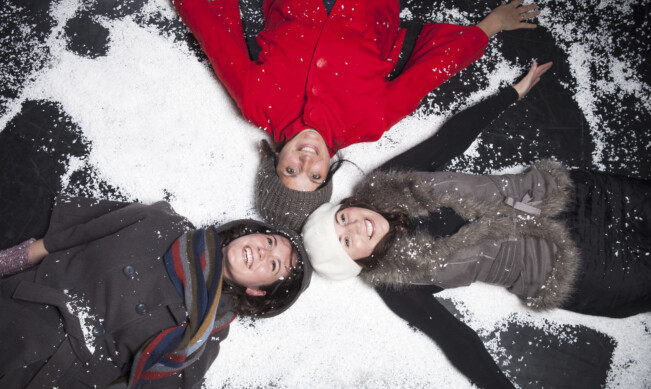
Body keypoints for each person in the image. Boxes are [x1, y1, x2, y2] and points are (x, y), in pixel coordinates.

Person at [301, 61, 651, 389]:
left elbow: (448, 139)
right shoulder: (398, 284)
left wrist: (510, 93)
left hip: (584, 199)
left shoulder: (387, 183)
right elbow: (456, 341)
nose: (355, 227)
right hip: (585, 270)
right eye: (348, 243)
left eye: (341, 221)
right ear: (358, 262)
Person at [0, 196, 312, 389]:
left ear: (260, 292)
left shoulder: (203, 336)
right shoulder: (159, 222)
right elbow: (65, 238)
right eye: (270, 241)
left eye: (273, 265)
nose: (263, 250)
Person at [174, 0, 542, 229]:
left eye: (290, 170)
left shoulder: (256, 103)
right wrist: (491, 26)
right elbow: (427, 76)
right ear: (328, 171)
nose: (305, 160)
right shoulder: (367, 124)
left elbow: (215, 37)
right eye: (314, 175)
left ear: (274, 160)